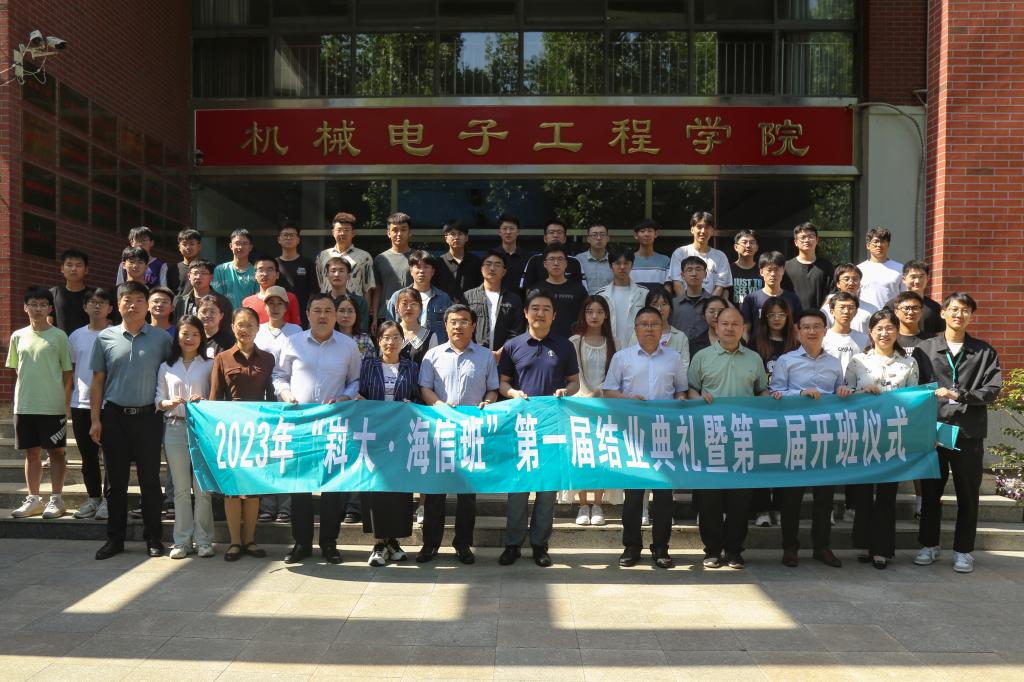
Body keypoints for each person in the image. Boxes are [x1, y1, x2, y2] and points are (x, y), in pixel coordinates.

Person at [914, 293, 1002, 574]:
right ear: (942, 313)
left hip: (968, 432)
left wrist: (960, 394)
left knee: (968, 494)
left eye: (965, 310)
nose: (958, 315)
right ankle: (929, 545)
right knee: (931, 492)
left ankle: (963, 551)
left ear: (972, 316)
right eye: (953, 309)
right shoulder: (924, 349)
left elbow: (992, 390)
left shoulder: (984, 352)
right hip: (934, 431)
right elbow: (913, 385)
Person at [273, 293, 363, 565]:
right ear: (307, 314)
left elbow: (356, 380)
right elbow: (279, 376)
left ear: (335, 315)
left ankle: (329, 543)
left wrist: (346, 396)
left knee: (332, 488)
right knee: (299, 487)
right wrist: (286, 395)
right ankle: (301, 543)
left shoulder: (348, 346)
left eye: (327, 311)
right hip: (300, 424)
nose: (322, 316)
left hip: (334, 425)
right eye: (317, 310)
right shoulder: (293, 342)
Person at [90, 282, 173, 560]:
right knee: (116, 484)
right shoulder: (105, 337)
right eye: (127, 299)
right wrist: (95, 420)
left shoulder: (161, 339)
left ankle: (154, 538)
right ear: (118, 304)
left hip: (149, 418)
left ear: (147, 305)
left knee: (150, 481)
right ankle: (115, 539)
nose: (133, 305)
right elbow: (97, 381)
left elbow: (171, 376)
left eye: (139, 299)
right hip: (114, 417)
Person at [498, 289, 580, 567]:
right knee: (518, 489)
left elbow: (575, 382)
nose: (540, 313)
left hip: (552, 426)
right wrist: (513, 393)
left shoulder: (564, 346)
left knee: (547, 490)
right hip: (521, 426)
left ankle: (540, 544)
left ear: (554, 315)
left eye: (546, 309)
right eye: (535, 308)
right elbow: (503, 383)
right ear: (525, 313)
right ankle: (512, 544)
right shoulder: (513, 345)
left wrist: (566, 391)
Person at [605, 306, 689, 569]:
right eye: (644, 324)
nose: (649, 329)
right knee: (633, 495)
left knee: (663, 495)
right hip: (633, 434)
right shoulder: (622, 357)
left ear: (662, 329)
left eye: (654, 324)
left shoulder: (673, 358)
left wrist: (679, 401)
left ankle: (661, 547)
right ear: (636, 329)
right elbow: (608, 392)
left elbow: (682, 390)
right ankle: (631, 547)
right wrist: (628, 399)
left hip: (664, 433)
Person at [770, 310, 854, 569]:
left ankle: (822, 546)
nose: (811, 331)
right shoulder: (786, 360)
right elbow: (775, 392)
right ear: (798, 331)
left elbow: (840, 390)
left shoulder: (834, 363)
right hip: (795, 435)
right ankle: (790, 547)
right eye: (806, 327)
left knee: (824, 497)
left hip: (825, 435)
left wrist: (843, 391)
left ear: (825, 330)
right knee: (792, 497)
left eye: (817, 326)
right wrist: (799, 394)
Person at [687, 307, 768, 569]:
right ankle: (712, 550)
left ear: (743, 328)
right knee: (709, 498)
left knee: (739, 499)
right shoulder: (702, 357)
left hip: (743, 437)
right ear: (716, 326)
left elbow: (762, 391)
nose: (730, 328)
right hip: (710, 436)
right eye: (725, 324)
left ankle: (734, 550)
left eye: (735, 324)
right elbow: (691, 389)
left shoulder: (754, 358)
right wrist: (698, 398)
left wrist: (772, 399)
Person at [418, 304, 499, 564]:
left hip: (470, 432)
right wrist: (439, 406)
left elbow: (493, 388)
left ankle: (463, 544)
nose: (458, 326)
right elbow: (424, 388)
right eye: (453, 321)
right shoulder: (433, 355)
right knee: (435, 492)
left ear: (473, 326)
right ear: (446, 325)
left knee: (467, 495)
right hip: (440, 431)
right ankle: (430, 544)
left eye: (464, 321)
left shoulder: (485, 356)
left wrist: (488, 402)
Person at [844, 309, 919, 569]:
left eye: (889, 328)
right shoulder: (858, 361)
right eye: (879, 329)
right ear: (870, 332)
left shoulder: (909, 363)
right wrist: (861, 392)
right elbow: (845, 394)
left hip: (894, 436)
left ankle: (882, 549)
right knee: (863, 493)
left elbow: (915, 399)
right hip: (864, 434)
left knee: (887, 494)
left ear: (897, 331)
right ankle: (864, 544)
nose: (884, 333)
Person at [210, 307, 274, 562]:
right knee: (233, 489)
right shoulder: (222, 358)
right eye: (240, 324)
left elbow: (272, 396)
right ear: (232, 327)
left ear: (258, 329)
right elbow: (214, 398)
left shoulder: (267, 359)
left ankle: (250, 540)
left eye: (249, 325)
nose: (244, 330)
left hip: (258, 431)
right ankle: (235, 542)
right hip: (231, 431)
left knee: (253, 487)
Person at [7, 287, 73, 520]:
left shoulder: (59, 336)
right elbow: (18, 368)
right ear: (25, 308)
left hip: (52, 406)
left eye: (43, 305)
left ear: (50, 308)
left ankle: (57, 499)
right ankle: (33, 499)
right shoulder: (18, 336)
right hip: (25, 405)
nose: (37, 309)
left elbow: (67, 372)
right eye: (33, 304)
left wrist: (65, 403)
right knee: (31, 453)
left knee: (56, 453)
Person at [357, 321, 418, 566]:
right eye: (385, 337)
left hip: (402, 436)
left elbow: (417, 396)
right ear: (378, 341)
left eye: (395, 337)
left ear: (402, 341)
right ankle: (379, 543)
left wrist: (411, 403)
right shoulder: (368, 366)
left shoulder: (411, 367)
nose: (390, 342)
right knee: (376, 488)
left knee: (399, 489)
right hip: (374, 435)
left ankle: (394, 541)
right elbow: (360, 393)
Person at [155, 315, 215, 559]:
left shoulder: (209, 365)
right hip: (175, 427)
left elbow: (216, 397)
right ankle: (181, 541)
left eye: (195, 334)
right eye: (185, 333)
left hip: (202, 430)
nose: (190, 339)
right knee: (180, 489)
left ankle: (204, 541)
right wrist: (169, 403)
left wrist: (205, 402)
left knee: (202, 489)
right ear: (177, 336)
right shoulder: (166, 366)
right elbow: (158, 399)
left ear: (202, 337)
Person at [749, 296, 800, 528]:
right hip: (761, 408)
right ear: (764, 318)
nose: (777, 319)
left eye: (781, 314)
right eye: (772, 315)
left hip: (788, 410)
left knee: (784, 459)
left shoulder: (796, 344)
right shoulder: (754, 343)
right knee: (761, 459)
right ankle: (761, 509)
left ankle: (779, 507)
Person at [253, 286, 302, 524]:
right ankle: (267, 505)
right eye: (270, 303)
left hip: (288, 399)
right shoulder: (258, 331)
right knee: (267, 453)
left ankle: (285, 506)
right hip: (262, 399)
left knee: (286, 453)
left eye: (279, 303)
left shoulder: (296, 331)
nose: (274, 308)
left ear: (286, 306)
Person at [567, 295, 616, 527]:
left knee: (602, 455)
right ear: (583, 315)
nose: (594, 316)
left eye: (599, 311)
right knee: (581, 454)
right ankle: (583, 504)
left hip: (605, 406)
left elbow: (616, 376)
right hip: (578, 406)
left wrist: (599, 393)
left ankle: (598, 504)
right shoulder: (574, 341)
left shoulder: (613, 342)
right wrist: (586, 395)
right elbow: (571, 373)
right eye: (589, 311)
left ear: (606, 315)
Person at [68, 289, 114, 521]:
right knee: (88, 456)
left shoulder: (116, 334)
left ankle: (109, 500)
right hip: (81, 403)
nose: (97, 306)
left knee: (111, 455)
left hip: (110, 403)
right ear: (84, 307)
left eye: (102, 302)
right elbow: (72, 368)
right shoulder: (76, 336)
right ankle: (93, 497)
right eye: (92, 302)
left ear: (110, 308)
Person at [463, 249, 525, 359]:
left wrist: (502, 352)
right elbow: (463, 326)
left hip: (504, 358)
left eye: (497, 265)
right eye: (488, 264)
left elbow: (517, 331)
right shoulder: (468, 297)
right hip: (473, 356)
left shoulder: (514, 299)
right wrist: (475, 350)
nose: (492, 268)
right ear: (481, 269)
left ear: (504, 271)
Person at [316, 211, 377, 318]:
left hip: (354, 309)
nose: (342, 233)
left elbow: (367, 288)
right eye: (339, 230)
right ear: (333, 232)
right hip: (327, 308)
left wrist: (365, 316)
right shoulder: (322, 256)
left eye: (346, 230)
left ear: (353, 233)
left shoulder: (364, 257)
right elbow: (320, 284)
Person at [385, 251, 451, 342]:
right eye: (418, 267)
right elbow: (389, 326)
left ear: (432, 271)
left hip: (436, 347)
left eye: (426, 267)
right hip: (404, 347)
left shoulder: (443, 298)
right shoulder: (397, 296)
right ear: (411, 270)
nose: (421, 271)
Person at [593, 246, 648, 350]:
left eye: (626, 263)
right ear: (611, 266)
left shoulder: (644, 293)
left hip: (638, 350)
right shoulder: (600, 295)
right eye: (618, 263)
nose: (622, 267)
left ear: (632, 265)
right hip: (608, 350)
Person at [740, 251, 802, 340]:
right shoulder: (751, 299)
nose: (773, 274)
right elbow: (745, 330)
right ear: (761, 272)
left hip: (787, 347)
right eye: (769, 270)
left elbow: (797, 329)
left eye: (776, 269)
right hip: (757, 347)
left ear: (783, 270)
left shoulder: (793, 298)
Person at [669, 211, 732, 297]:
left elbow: (720, 287)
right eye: (699, 227)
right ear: (692, 229)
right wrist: (687, 303)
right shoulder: (680, 253)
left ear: (712, 231)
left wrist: (710, 304)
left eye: (707, 228)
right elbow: (677, 284)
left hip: (712, 304)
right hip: (685, 303)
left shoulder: (721, 256)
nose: (703, 231)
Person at [537, 242, 588, 340]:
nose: (556, 263)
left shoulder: (579, 290)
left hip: (573, 341)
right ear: (545, 264)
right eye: (552, 259)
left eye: (560, 259)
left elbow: (585, 317)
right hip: (543, 341)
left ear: (566, 263)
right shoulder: (537, 290)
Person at [373, 212, 413, 329]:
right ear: (388, 233)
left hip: (412, 314)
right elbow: (377, 289)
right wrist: (374, 318)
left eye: (403, 229)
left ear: (410, 232)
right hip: (385, 314)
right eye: (395, 230)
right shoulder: (380, 259)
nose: (399, 234)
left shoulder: (417, 258)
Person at [173, 260, 233, 338]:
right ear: (189, 276)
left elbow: (227, 329)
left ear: (211, 277)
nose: (198, 277)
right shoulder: (181, 302)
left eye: (203, 273)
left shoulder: (222, 302)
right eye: (195, 273)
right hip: (188, 342)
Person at [520, 219, 585, 291]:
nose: (555, 235)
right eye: (551, 232)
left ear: (565, 239)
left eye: (559, 232)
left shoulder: (575, 262)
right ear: (545, 238)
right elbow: (527, 289)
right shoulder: (534, 260)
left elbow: (581, 289)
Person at [783, 222, 834, 311]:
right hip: (794, 317)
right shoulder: (786, 267)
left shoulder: (827, 266)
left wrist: (821, 313)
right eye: (803, 237)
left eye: (811, 236)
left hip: (820, 317)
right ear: (795, 242)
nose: (807, 240)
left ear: (817, 240)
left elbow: (831, 294)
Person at [275, 224, 318, 327]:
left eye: (292, 235)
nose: (288, 238)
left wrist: (311, 315)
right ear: (279, 239)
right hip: (278, 315)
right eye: (285, 235)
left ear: (298, 240)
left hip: (302, 316)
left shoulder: (308, 264)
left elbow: (314, 292)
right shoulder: (273, 264)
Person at [631, 288, 692, 360]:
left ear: (670, 308)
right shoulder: (637, 334)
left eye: (664, 304)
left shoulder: (681, 337)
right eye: (654, 304)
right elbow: (630, 359)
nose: (659, 309)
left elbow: (684, 364)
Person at [888, 260, 943, 336]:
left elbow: (940, 334)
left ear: (928, 279)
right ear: (903, 279)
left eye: (921, 276)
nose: (917, 281)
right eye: (913, 277)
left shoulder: (935, 307)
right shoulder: (892, 305)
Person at [242, 257, 301, 325]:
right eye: (261, 270)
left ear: (277, 275)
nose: (265, 274)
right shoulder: (247, 302)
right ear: (255, 275)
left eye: (270, 270)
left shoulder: (289, 298)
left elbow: (296, 327)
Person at [820, 264, 876, 333]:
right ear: (838, 283)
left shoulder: (871, 309)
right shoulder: (827, 310)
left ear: (859, 283)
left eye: (855, 279)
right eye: (846, 279)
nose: (851, 283)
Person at [822, 292, 869, 375]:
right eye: (842, 307)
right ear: (832, 311)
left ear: (856, 312)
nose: (846, 311)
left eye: (850, 308)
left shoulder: (864, 339)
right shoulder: (823, 338)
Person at [857, 227, 903, 311]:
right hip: (866, 316)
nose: (879, 245)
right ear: (868, 245)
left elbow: (904, 296)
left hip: (891, 315)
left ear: (888, 245)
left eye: (883, 241)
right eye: (876, 242)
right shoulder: (859, 269)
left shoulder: (900, 268)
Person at [436, 220, 483, 302]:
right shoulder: (439, 262)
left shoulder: (476, 262)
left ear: (466, 238)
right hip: (445, 308)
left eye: (460, 234)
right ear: (446, 238)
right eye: (452, 234)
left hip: (471, 307)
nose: (456, 237)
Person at [393, 287, 440, 366]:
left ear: (421, 307)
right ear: (397, 308)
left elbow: (433, 367)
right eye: (404, 304)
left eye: (413, 304)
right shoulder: (389, 334)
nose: (409, 308)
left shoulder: (431, 337)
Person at [212, 228, 259, 308]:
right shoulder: (220, 270)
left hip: (250, 315)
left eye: (245, 244)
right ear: (231, 246)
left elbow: (258, 298)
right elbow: (217, 298)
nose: (240, 247)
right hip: (226, 314)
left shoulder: (257, 271)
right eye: (237, 243)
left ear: (250, 247)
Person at [50, 249, 93, 335]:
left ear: (86, 270)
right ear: (62, 269)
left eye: (78, 265)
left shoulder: (94, 296)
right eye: (69, 265)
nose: (73, 269)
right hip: (60, 342)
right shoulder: (53, 294)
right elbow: (48, 323)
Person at [669, 256, 712, 339]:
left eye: (698, 269)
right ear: (682, 275)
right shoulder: (673, 304)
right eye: (689, 270)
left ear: (705, 274)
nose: (694, 274)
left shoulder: (713, 303)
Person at [325, 256, 369, 331]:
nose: (337, 274)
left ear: (348, 276)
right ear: (327, 275)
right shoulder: (321, 302)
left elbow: (362, 329)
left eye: (341, 271)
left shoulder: (360, 302)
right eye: (333, 271)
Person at [630, 219, 671, 291]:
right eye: (642, 231)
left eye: (650, 231)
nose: (646, 234)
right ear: (636, 235)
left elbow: (667, 288)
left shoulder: (665, 260)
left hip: (658, 298)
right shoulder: (628, 259)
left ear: (656, 234)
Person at [496, 214, 533, 293]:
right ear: (499, 232)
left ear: (518, 232)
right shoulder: (492, 256)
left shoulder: (528, 257)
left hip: (521, 300)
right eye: (504, 228)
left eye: (512, 228)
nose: (508, 232)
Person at [892, 291, 933, 356]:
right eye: (906, 308)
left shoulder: (932, 341)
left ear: (921, 311)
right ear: (896, 312)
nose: (911, 312)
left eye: (915, 308)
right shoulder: (890, 340)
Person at [574, 223, 612, 292]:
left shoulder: (614, 260)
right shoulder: (578, 260)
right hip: (584, 298)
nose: (599, 238)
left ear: (607, 238)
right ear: (588, 239)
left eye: (602, 235)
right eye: (594, 235)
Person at [729, 230, 762, 306]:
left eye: (752, 242)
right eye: (744, 242)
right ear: (736, 247)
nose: (748, 245)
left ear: (756, 248)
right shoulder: (728, 270)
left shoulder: (763, 270)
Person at [172, 228, 203, 297]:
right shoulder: (174, 269)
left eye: (192, 244)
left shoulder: (207, 268)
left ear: (199, 247)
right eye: (184, 244)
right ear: (179, 247)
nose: (188, 247)